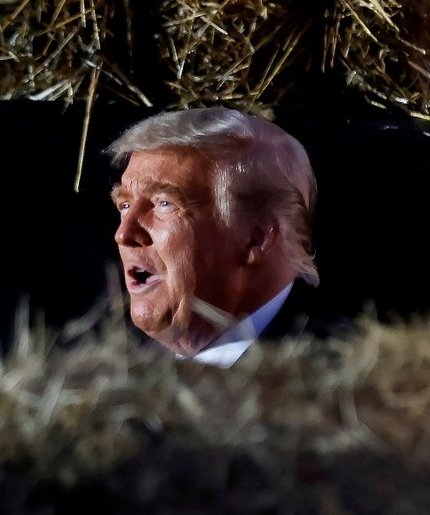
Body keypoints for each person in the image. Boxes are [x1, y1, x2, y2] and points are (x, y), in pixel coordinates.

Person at [107, 107, 318, 366]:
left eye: (164, 204)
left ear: (257, 236)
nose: (124, 234)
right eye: (124, 205)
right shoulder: (122, 374)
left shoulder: (330, 367)